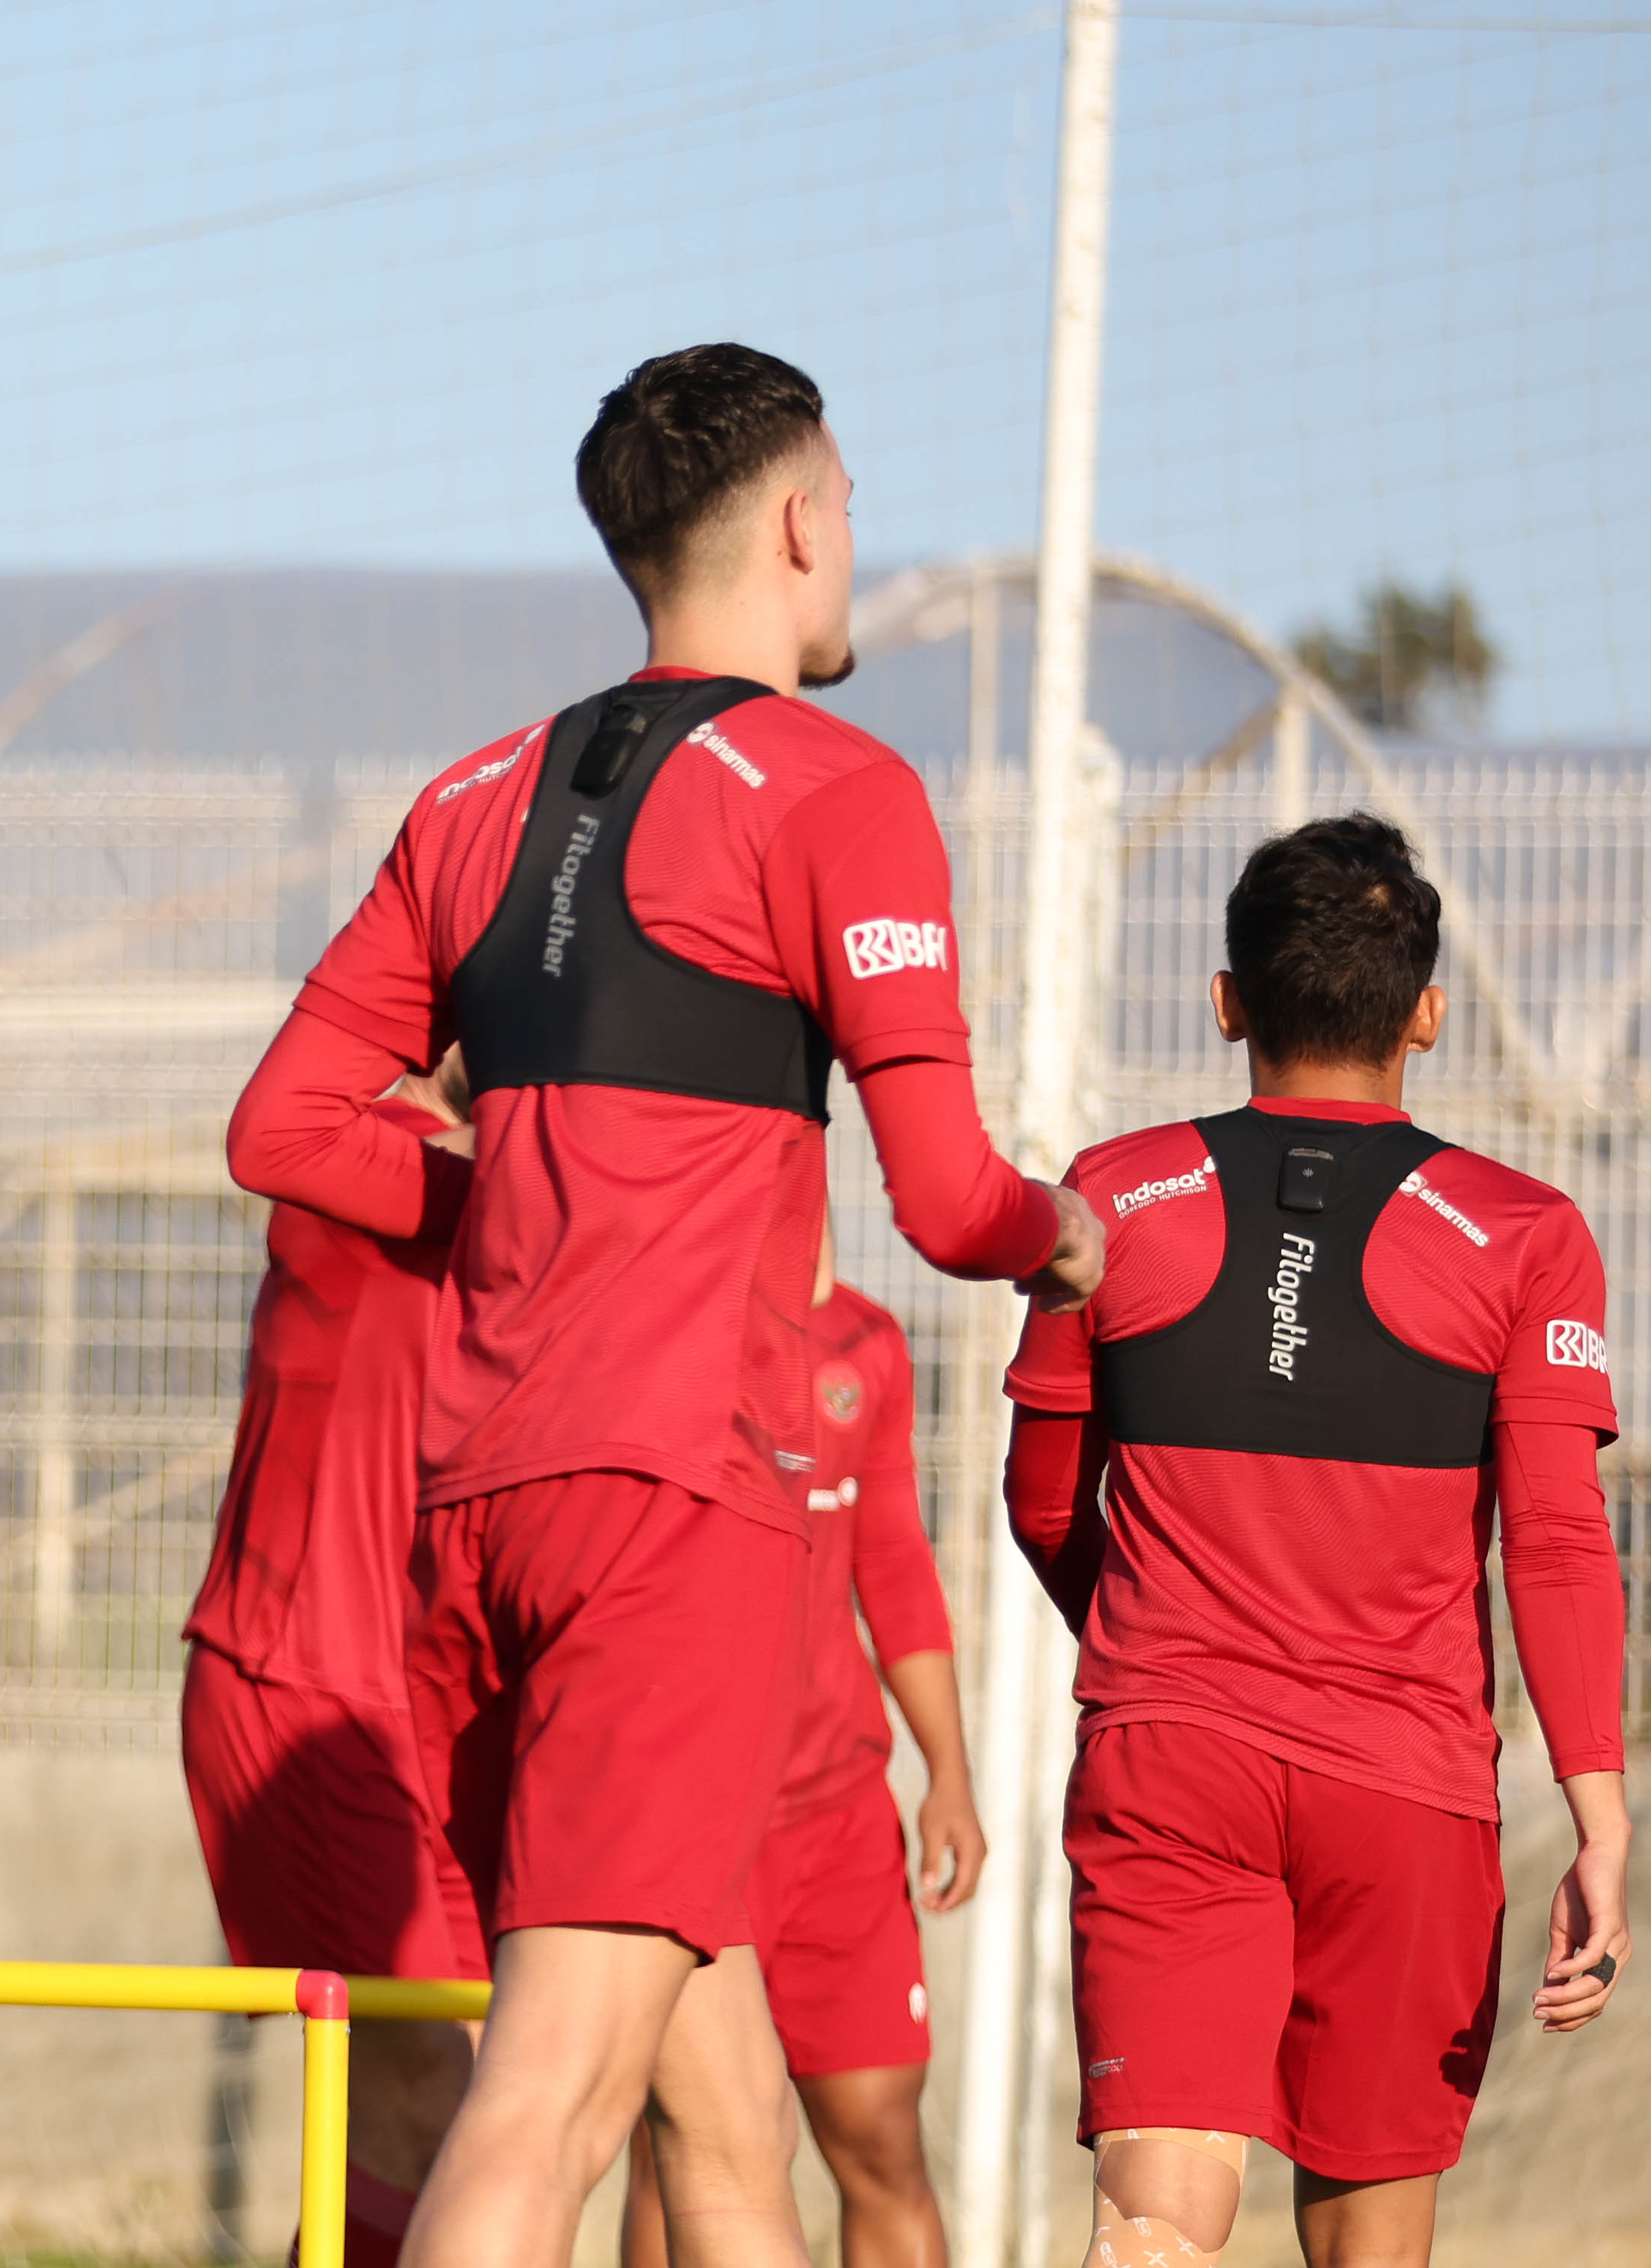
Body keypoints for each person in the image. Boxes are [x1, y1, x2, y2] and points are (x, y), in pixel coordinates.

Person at [226, 343, 1099, 2268]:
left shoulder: (472, 794)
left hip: (478, 1514)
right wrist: (1073, 1239)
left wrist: (507, 1202)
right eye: (848, 504)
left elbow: (280, 1127)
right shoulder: (841, 790)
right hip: (672, 1507)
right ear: (794, 523)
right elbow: (949, 1200)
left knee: (726, 2136)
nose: (852, 536)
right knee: (547, 2101)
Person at [1005, 814, 1628, 2268]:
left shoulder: (1109, 1195)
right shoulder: (1524, 1230)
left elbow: (1041, 1504)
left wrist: (1159, 1658)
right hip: (1403, 1791)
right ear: (1426, 1013)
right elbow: (1553, 1539)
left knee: (1150, 2229)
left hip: (1170, 1763)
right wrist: (1597, 1817)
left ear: (1227, 1001)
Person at [619, 1229, 982, 2268]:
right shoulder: (673, 1322)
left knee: (881, 2140)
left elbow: (895, 1562)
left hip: (840, 1820)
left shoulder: (868, 1340)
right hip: (699, 1819)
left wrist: (947, 1774)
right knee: (681, 2147)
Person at [182, 1051, 488, 2268]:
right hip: (301, 1677)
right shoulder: (358, 1150)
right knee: (425, 2094)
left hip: (426, 1704)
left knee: (476, 2109)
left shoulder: (515, 1198)